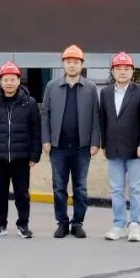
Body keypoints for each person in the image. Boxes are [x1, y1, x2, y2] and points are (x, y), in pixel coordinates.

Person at [42, 45, 101, 239]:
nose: (72, 65)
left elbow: (96, 117)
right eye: (69, 61)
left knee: (80, 187)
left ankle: (77, 223)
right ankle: (62, 222)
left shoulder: (90, 88)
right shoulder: (52, 86)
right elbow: (45, 115)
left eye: (76, 62)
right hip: (58, 146)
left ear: (81, 64)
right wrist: (46, 139)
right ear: (63, 64)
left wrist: (95, 141)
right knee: (59, 187)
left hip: (82, 147)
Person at [0, 62, 42, 238]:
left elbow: (36, 130)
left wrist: (34, 155)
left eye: (12, 79)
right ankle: (0, 225)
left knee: (22, 193)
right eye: (5, 79)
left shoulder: (29, 103)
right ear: (0, 81)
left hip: (21, 158)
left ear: (18, 81)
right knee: (0, 193)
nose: (9, 83)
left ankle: (23, 225)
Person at [98, 51, 140, 242]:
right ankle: (119, 224)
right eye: (119, 68)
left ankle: (135, 224)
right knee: (116, 189)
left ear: (132, 71)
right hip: (113, 148)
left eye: (126, 69)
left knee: (136, 189)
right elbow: (103, 120)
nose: (122, 72)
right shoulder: (105, 93)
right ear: (113, 71)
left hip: (135, 148)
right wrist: (104, 144)